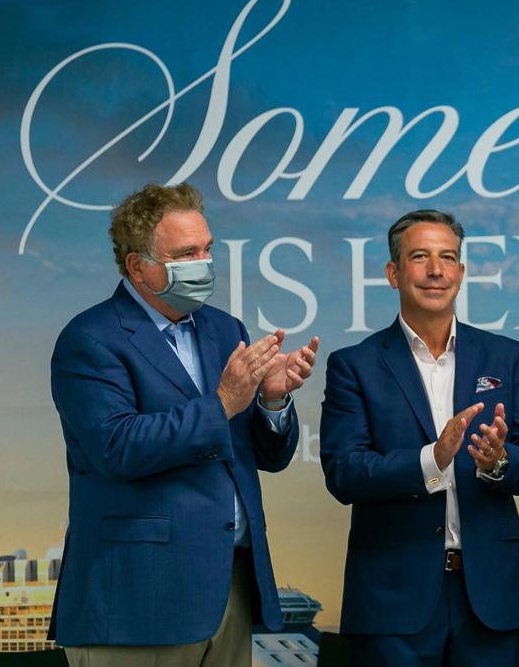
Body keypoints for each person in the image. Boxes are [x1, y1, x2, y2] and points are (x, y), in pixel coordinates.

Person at [49, 183, 319, 667]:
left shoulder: (226, 330)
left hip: (229, 590)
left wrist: (273, 402)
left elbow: (266, 458)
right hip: (137, 600)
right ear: (138, 266)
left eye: (208, 248)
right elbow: (116, 448)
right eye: (186, 253)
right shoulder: (88, 339)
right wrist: (222, 402)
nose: (204, 263)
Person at [320, 209, 519, 666]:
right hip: (393, 599)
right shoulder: (355, 365)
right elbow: (344, 473)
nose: (436, 270)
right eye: (420, 257)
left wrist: (497, 463)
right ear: (393, 273)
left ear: (461, 273)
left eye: (448, 258)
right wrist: (432, 458)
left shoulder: (506, 356)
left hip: (489, 597)